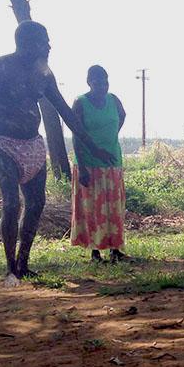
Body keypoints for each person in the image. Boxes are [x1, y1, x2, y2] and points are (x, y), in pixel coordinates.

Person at [0, 21, 115, 285]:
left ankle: (23, 263)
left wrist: (93, 148)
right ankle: (10, 268)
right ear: (28, 43)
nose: (49, 46)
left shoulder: (44, 74)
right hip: (3, 144)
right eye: (45, 41)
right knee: (11, 203)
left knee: (37, 203)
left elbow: (66, 113)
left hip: (32, 145)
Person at [70, 65, 127, 262]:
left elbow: (122, 116)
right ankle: (94, 251)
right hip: (89, 163)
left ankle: (115, 248)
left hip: (112, 161)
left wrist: (109, 136)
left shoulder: (114, 100)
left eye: (105, 82)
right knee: (92, 209)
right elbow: (76, 135)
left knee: (114, 208)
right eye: (97, 82)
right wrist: (82, 167)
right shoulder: (80, 103)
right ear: (89, 82)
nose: (102, 86)